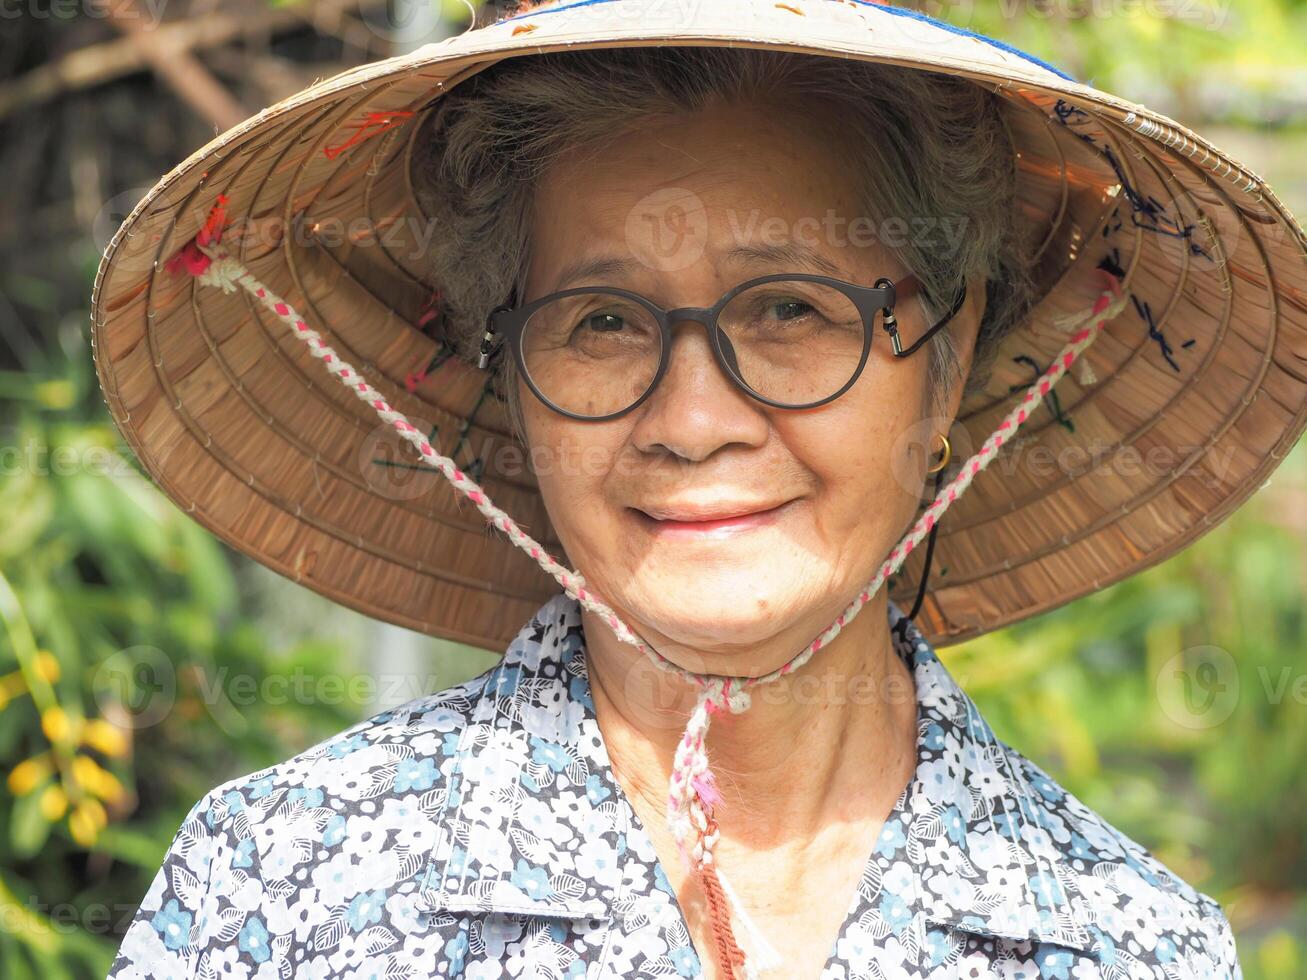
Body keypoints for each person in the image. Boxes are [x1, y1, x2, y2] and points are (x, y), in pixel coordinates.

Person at [94, 1, 1307, 977]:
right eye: (602, 320)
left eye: (789, 309)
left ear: (944, 362)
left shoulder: (1122, 941)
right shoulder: (294, 883)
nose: (690, 420)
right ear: (511, 381)